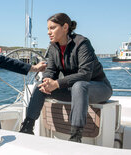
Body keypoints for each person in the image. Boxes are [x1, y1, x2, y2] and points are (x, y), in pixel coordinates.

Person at [19, 13, 113, 143]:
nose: (48, 32)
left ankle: (75, 137)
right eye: (48, 29)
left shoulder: (82, 43)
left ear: (65, 27)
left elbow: (85, 74)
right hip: (73, 90)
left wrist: (57, 83)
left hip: (98, 88)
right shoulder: (53, 47)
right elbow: (51, 71)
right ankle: (27, 127)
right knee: (41, 85)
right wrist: (47, 81)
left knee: (79, 85)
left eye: (52, 28)